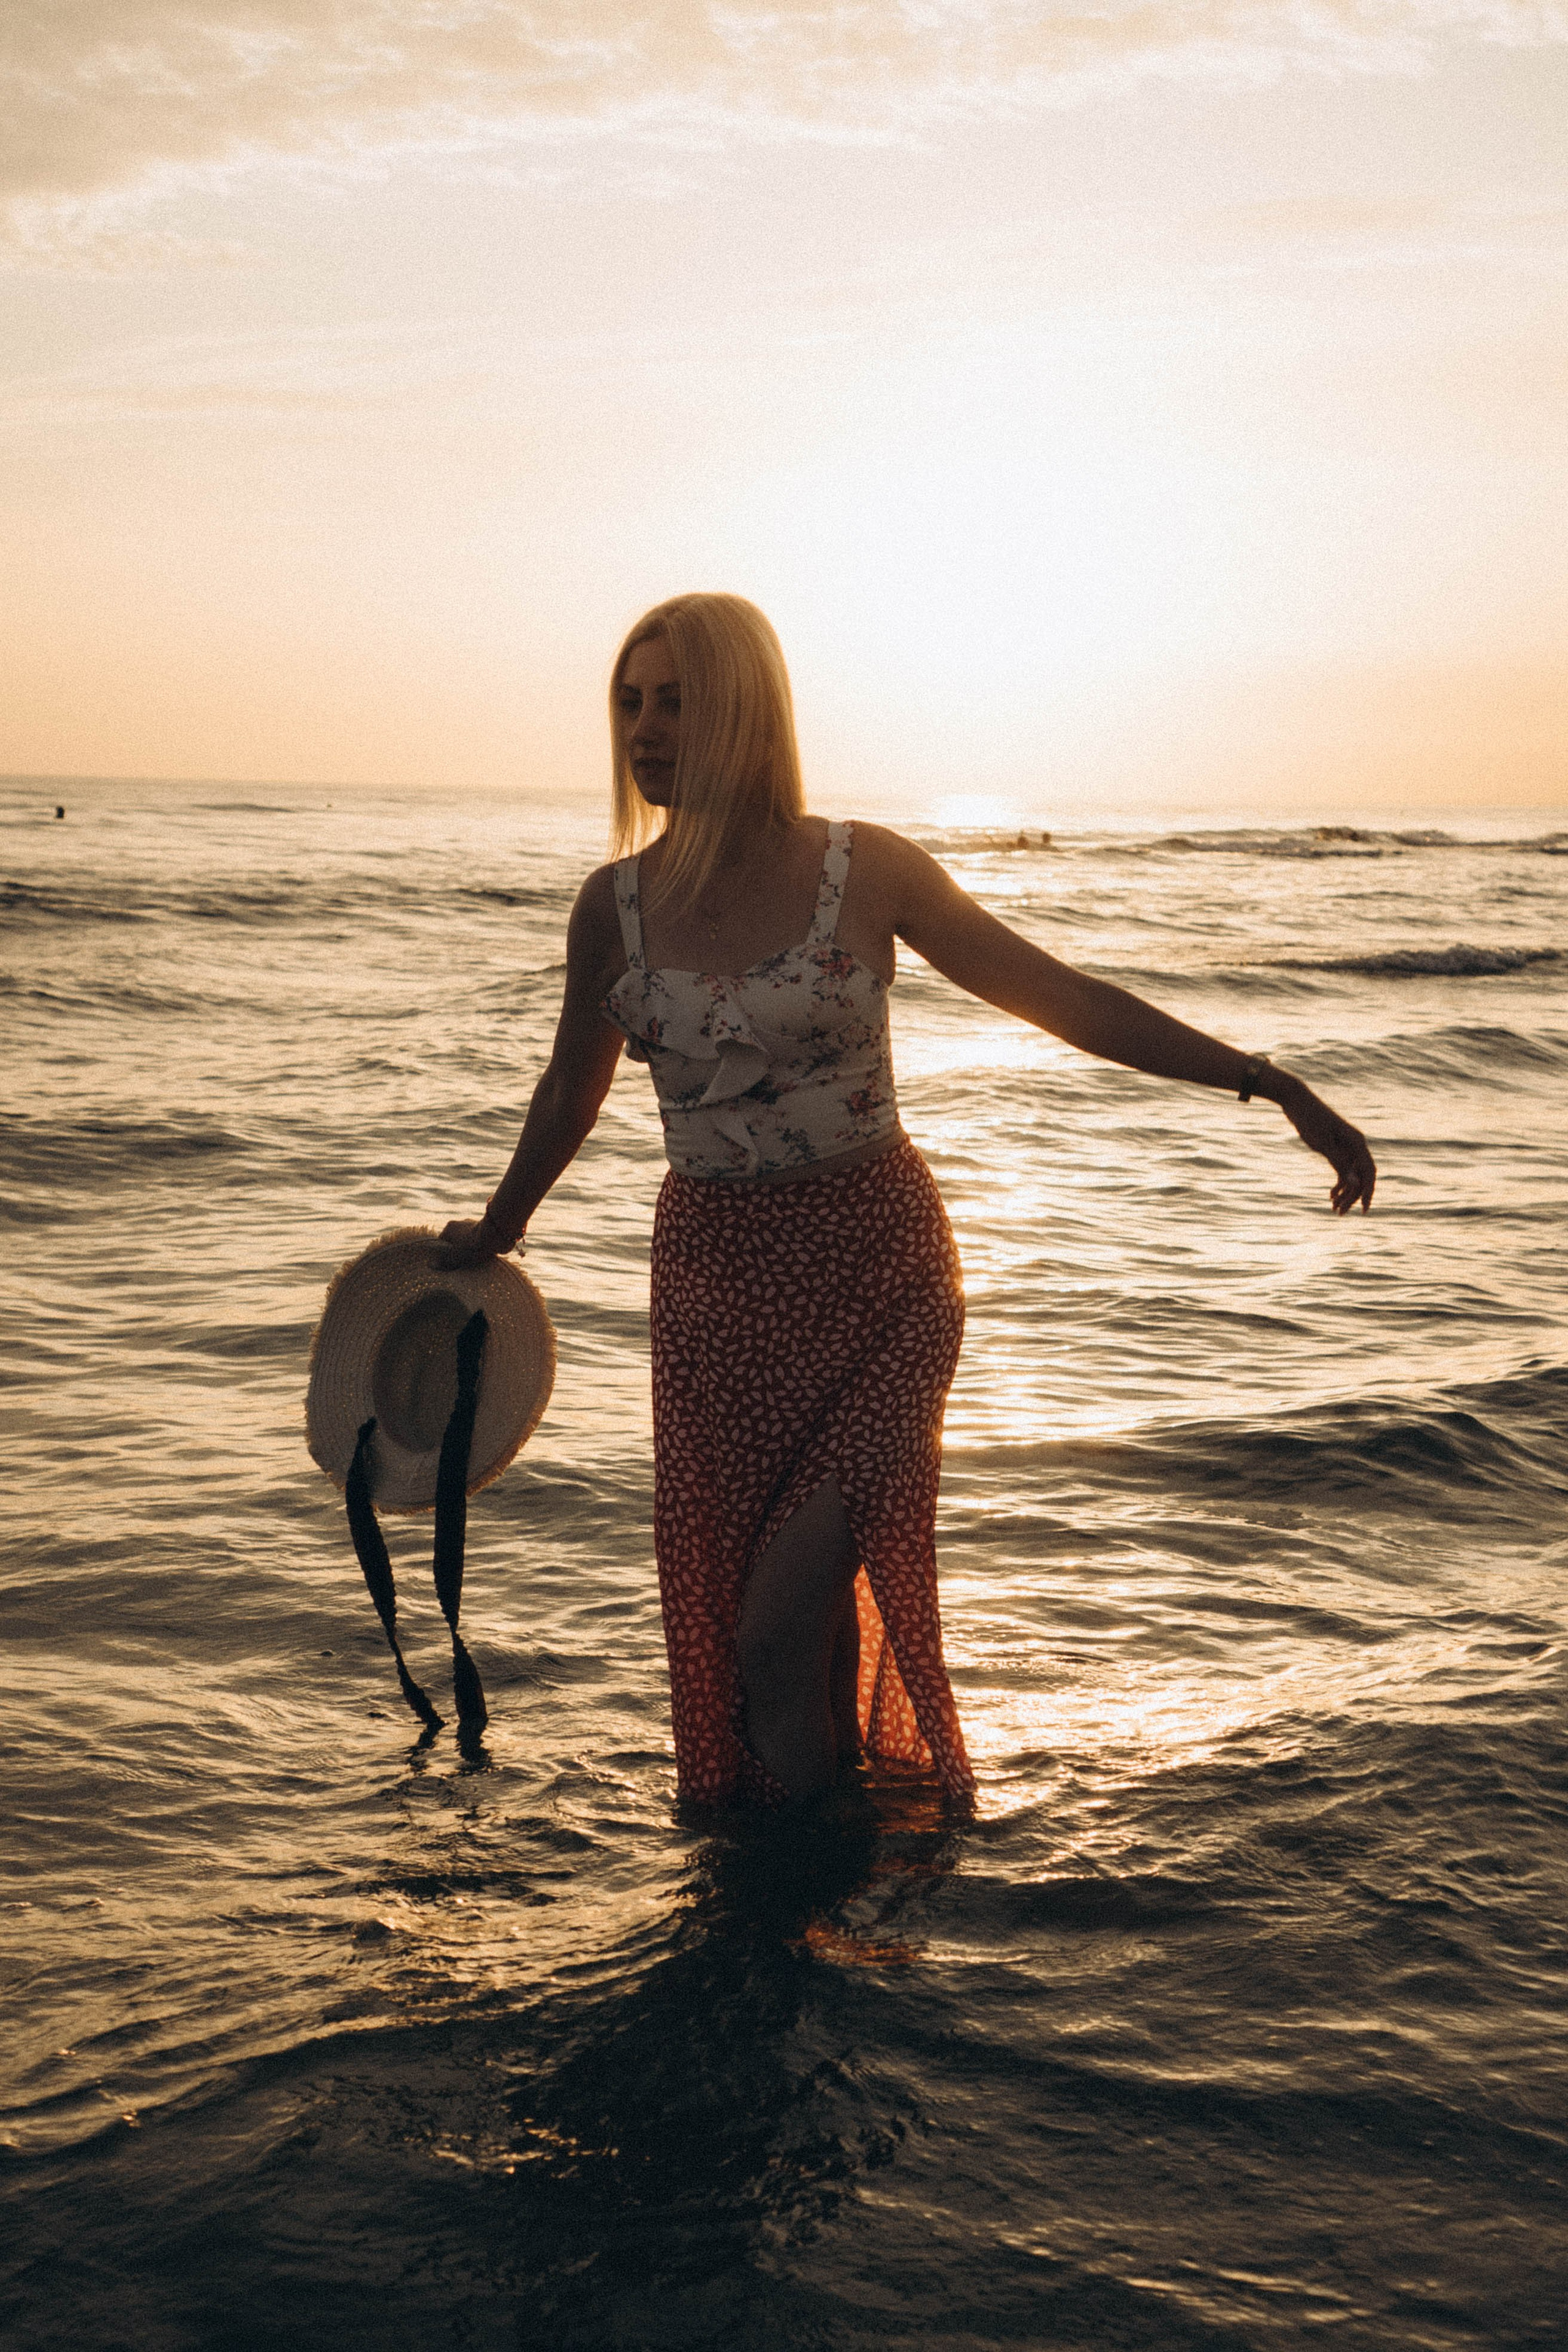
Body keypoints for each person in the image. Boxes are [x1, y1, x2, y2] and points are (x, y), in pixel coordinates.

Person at [437, 593, 1375, 1809]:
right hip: (716, 1301)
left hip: (881, 1278)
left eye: (676, 702)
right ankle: (827, 1873)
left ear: (744, 714)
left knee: (775, 1630)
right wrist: (496, 1231)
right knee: (773, 1630)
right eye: (629, 703)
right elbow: (571, 1089)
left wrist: (1264, 1080)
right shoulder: (611, 909)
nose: (645, 730)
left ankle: (789, 1892)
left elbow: (1062, 999)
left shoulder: (861, 869)